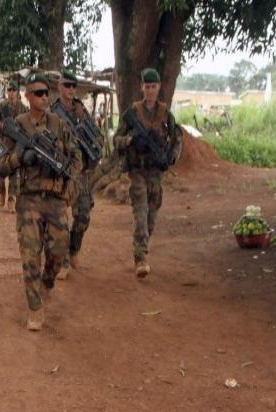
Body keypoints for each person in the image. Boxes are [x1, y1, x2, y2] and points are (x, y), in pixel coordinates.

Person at [0, 73, 82, 331]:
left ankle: (48, 282)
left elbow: (76, 158)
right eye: (39, 93)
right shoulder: (17, 126)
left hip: (55, 200)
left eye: (47, 93)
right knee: (30, 255)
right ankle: (35, 307)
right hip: (28, 201)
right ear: (27, 96)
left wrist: (68, 189)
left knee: (57, 252)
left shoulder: (59, 124)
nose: (45, 97)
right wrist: (20, 158)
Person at [113, 68, 182, 278]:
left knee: (151, 217)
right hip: (138, 172)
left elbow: (177, 139)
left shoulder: (165, 114)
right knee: (141, 214)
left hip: (156, 173)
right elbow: (116, 139)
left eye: (154, 87)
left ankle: (142, 249)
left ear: (159, 87)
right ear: (142, 87)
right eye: (147, 86)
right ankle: (140, 258)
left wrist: (171, 157)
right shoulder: (132, 114)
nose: (150, 90)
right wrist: (131, 141)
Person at [51, 69, 105, 280]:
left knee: (83, 217)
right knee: (60, 219)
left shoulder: (81, 111)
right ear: (59, 87)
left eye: (73, 86)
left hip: (81, 173)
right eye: (67, 85)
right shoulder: (53, 112)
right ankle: (63, 260)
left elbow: (97, 136)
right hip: (62, 172)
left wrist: (94, 145)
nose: (71, 90)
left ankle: (74, 249)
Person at [0, 80, 28, 212]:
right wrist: (0, 125)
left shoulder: (24, 109)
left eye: (14, 90)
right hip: (5, 143)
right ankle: (2, 191)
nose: (11, 93)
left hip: (17, 145)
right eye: (9, 90)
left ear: (18, 92)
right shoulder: (2, 106)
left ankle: (11, 199)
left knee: (15, 172)